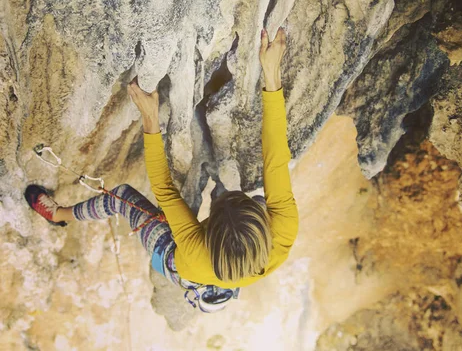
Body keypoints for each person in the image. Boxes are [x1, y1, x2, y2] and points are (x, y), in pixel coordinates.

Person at [25, 27, 299, 300]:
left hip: (178, 262)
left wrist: (150, 118)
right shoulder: (283, 231)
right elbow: (275, 157)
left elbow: (164, 190)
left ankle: (59, 215)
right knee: (262, 199)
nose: (221, 198)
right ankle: (231, 265)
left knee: (121, 197)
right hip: (235, 264)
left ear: (207, 233)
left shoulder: (193, 253)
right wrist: (271, 73)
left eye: (216, 207)